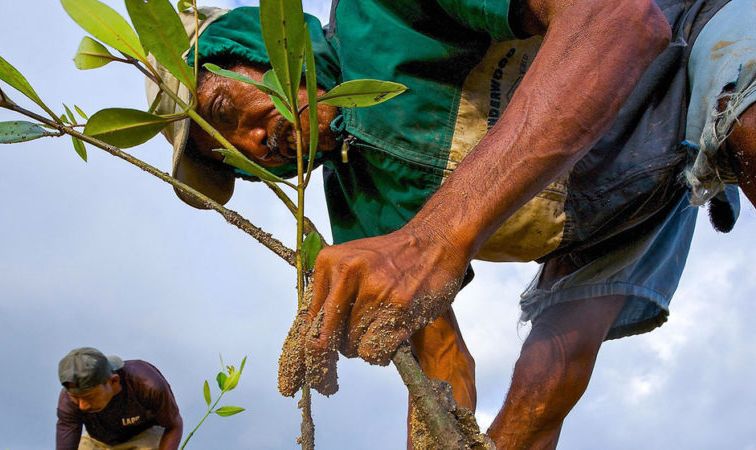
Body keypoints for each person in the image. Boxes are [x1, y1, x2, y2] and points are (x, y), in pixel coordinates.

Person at [147, 0, 756, 447]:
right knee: (520, 431)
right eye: (231, 155)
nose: (253, 142)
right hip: (615, 220)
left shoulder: (383, 12)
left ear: (254, 46)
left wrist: (431, 238)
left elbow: (619, 20)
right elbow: (442, 374)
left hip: (685, 36)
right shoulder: (361, 213)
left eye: (227, 109)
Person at [56, 347, 183, 450]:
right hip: (98, 440)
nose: (82, 406)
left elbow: (173, 426)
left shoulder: (147, 385)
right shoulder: (68, 401)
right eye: (75, 398)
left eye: (89, 397)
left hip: (144, 436)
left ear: (113, 381)